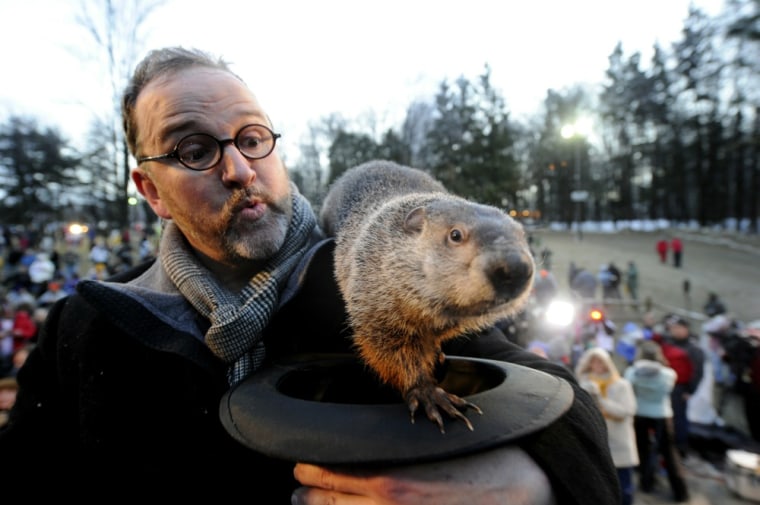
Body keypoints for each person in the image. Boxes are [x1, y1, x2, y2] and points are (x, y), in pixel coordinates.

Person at [0, 46, 619, 503]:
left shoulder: (368, 273)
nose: (239, 168)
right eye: (194, 149)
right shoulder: (87, 326)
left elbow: (552, 399)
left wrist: (536, 484)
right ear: (151, 190)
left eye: (252, 137)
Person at [624, 340, 690, 502]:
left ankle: (647, 483)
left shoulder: (631, 372)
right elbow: (669, 389)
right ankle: (680, 493)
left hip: (639, 414)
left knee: (643, 451)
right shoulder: (669, 374)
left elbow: (629, 389)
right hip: (662, 415)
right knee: (669, 453)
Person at [576, 346, 639, 505]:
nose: (597, 365)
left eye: (600, 361)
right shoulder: (583, 384)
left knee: (624, 489)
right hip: (595, 442)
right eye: (593, 361)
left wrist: (600, 399)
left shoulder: (621, 385)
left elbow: (626, 411)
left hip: (619, 441)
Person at [655, 316, 705, 458]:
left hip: (680, 389)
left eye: (677, 328)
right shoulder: (667, 343)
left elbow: (697, 371)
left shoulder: (693, 348)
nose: (674, 331)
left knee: (679, 419)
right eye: (672, 328)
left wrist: (690, 390)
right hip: (664, 387)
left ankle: (680, 448)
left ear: (685, 328)